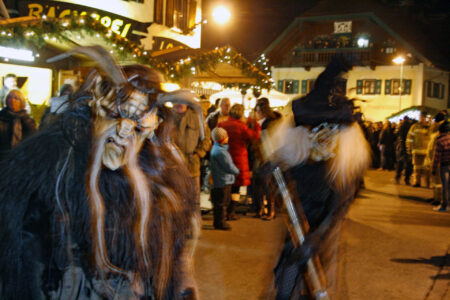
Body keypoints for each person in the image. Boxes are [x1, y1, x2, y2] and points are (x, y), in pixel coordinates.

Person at [0, 46, 201, 299]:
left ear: (153, 127)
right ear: (95, 104)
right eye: (114, 114)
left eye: (138, 127)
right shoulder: (50, 170)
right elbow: (22, 260)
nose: (123, 131)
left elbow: (177, 261)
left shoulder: (164, 183)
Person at [265, 57, 370, 299]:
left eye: (326, 126)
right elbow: (283, 183)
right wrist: (270, 171)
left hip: (320, 236)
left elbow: (339, 205)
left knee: (314, 286)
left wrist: (317, 237)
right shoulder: (299, 154)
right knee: (285, 278)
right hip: (296, 231)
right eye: (312, 126)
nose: (318, 132)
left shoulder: (341, 168)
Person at [218, 103, 260, 220]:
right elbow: (254, 137)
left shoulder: (222, 124)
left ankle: (222, 211)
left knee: (225, 186)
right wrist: (255, 124)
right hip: (238, 160)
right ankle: (231, 212)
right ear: (241, 114)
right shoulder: (242, 127)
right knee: (235, 188)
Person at [172, 102, 212, 210]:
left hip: (191, 163)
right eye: (176, 101)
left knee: (193, 197)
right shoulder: (167, 117)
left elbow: (206, 138)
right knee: (174, 195)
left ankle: (193, 221)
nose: (178, 104)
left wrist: (199, 153)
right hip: (172, 164)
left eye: (181, 101)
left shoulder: (197, 118)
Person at [251, 97, 282, 220]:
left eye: (258, 111)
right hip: (262, 157)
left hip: (267, 157)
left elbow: (266, 142)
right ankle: (262, 209)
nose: (257, 113)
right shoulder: (267, 122)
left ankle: (270, 211)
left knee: (267, 185)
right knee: (259, 184)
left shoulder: (267, 124)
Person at [210, 127, 240, 230]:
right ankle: (220, 223)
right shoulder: (221, 152)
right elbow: (228, 166)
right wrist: (237, 171)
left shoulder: (217, 149)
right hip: (223, 181)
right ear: (222, 139)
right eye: (226, 136)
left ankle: (219, 221)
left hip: (220, 180)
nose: (228, 137)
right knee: (222, 203)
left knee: (220, 202)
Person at [0, 89, 36, 161]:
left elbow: (32, 139)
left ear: (21, 102)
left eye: (16, 98)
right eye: (9, 97)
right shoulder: (2, 116)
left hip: (21, 157)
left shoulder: (27, 120)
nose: (12, 100)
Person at [407, 111, 431, 187]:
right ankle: (417, 182)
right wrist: (409, 148)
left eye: (423, 117)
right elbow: (409, 138)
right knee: (416, 168)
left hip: (427, 152)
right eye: (421, 117)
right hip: (416, 151)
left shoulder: (430, 127)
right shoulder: (414, 127)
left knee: (427, 169)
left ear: (426, 118)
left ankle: (427, 183)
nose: (422, 119)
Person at [431, 121, 449, 212]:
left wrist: (433, 168)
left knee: (444, 186)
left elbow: (436, 156)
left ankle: (444, 205)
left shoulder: (440, 141)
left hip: (444, 166)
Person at [395, 116, 413, 184]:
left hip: (402, 147)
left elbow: (399, 136)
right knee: (408, 164)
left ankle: (398, 177)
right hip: (408, 147)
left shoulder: (401, 127)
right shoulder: (410, 127)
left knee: (400, 163)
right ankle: (407, 179)